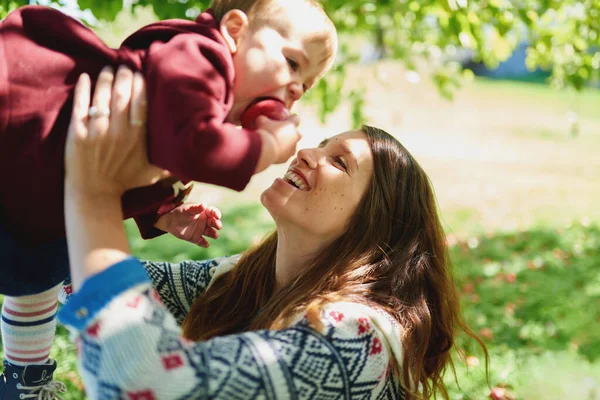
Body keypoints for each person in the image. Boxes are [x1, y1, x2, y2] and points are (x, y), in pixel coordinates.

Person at [53, 70, 486, 400]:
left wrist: (95, 194)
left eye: (340, 162)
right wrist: (140, 204)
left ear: (374, 220)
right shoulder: (255, 276)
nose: (307, 153)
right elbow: (68, 282)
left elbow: (147, 383)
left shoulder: (357, 337)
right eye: (321, 143)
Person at [0, 0, 337, 393]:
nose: (295, 89)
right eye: (293, 64)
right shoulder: (198, 55)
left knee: (42, 277)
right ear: (234, 31)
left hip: (40, 199)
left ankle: (23, 377)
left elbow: (138, 159)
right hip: (25, 136)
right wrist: (263, 146)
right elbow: (194, 148)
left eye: (306, 86)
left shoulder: (205, 103)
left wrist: (163, 214)